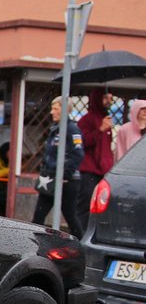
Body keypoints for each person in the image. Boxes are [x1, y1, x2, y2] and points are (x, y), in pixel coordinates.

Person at [32, 97, 84, 238]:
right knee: (38, 217)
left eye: (55, 109)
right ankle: (36, 246)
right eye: (52, 108)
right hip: (49, 179)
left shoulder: (72, 129)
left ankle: (83, 248)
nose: (51, 112)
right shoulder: (54, 129)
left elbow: (78, 154)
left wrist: (65, 175)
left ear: (65, 109)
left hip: (67, 182)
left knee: (71, 218)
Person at [75, 89, 114, 231]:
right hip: (88, 171)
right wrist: (100, 130)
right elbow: (82, 142)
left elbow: (106, 148)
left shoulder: (106, 119)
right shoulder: (86, 120)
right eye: (105, 97)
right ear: (98, 99)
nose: (109, 101)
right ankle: (81, 236)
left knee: (100, 207)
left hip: (103, 172)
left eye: (110, 97)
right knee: (84, 207)